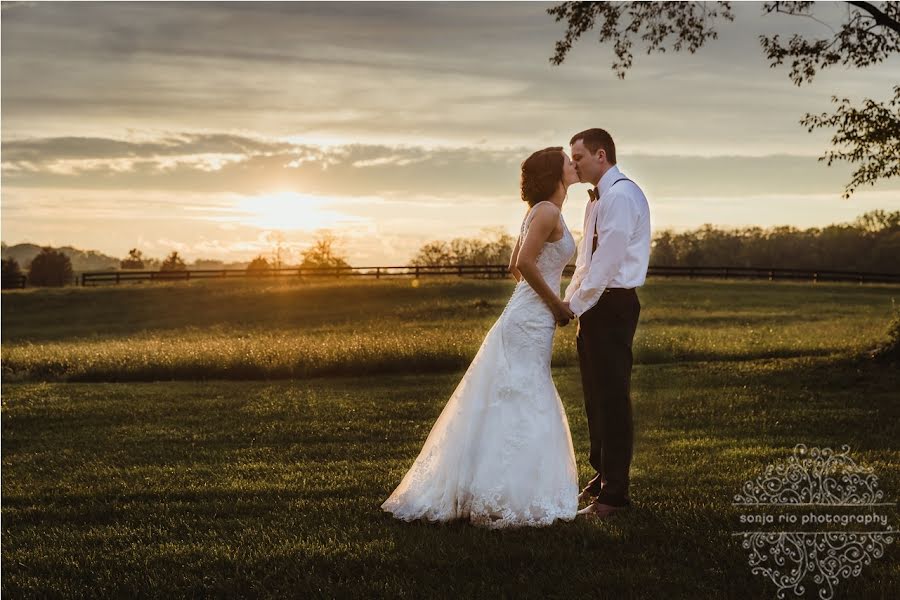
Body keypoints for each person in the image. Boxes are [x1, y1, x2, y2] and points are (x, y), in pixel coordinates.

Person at [381, 147, 580, 528]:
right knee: (522, 392)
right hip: (531, 317)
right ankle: (507, 491)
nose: (573, 165)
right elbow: (521, 264)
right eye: (567, 162)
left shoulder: (538, 212)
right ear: (556, 173)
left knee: (515, 390)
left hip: (526, 314)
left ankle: (499, 484)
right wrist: (553, 303)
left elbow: (513, 266)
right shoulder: (548, 212)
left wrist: (536, 303)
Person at [564, 128, 651, 518]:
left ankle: (616, 497)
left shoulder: (620, 195)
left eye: (578, 157)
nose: (573, 164)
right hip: (594, 305)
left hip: (612, 304)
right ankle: (601, 479)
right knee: (594, 399)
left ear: (601, 155)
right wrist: (571, 301)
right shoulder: (597, 200)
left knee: (612, 400)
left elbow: (607, 262)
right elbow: (585, 262)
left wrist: (574, 306)